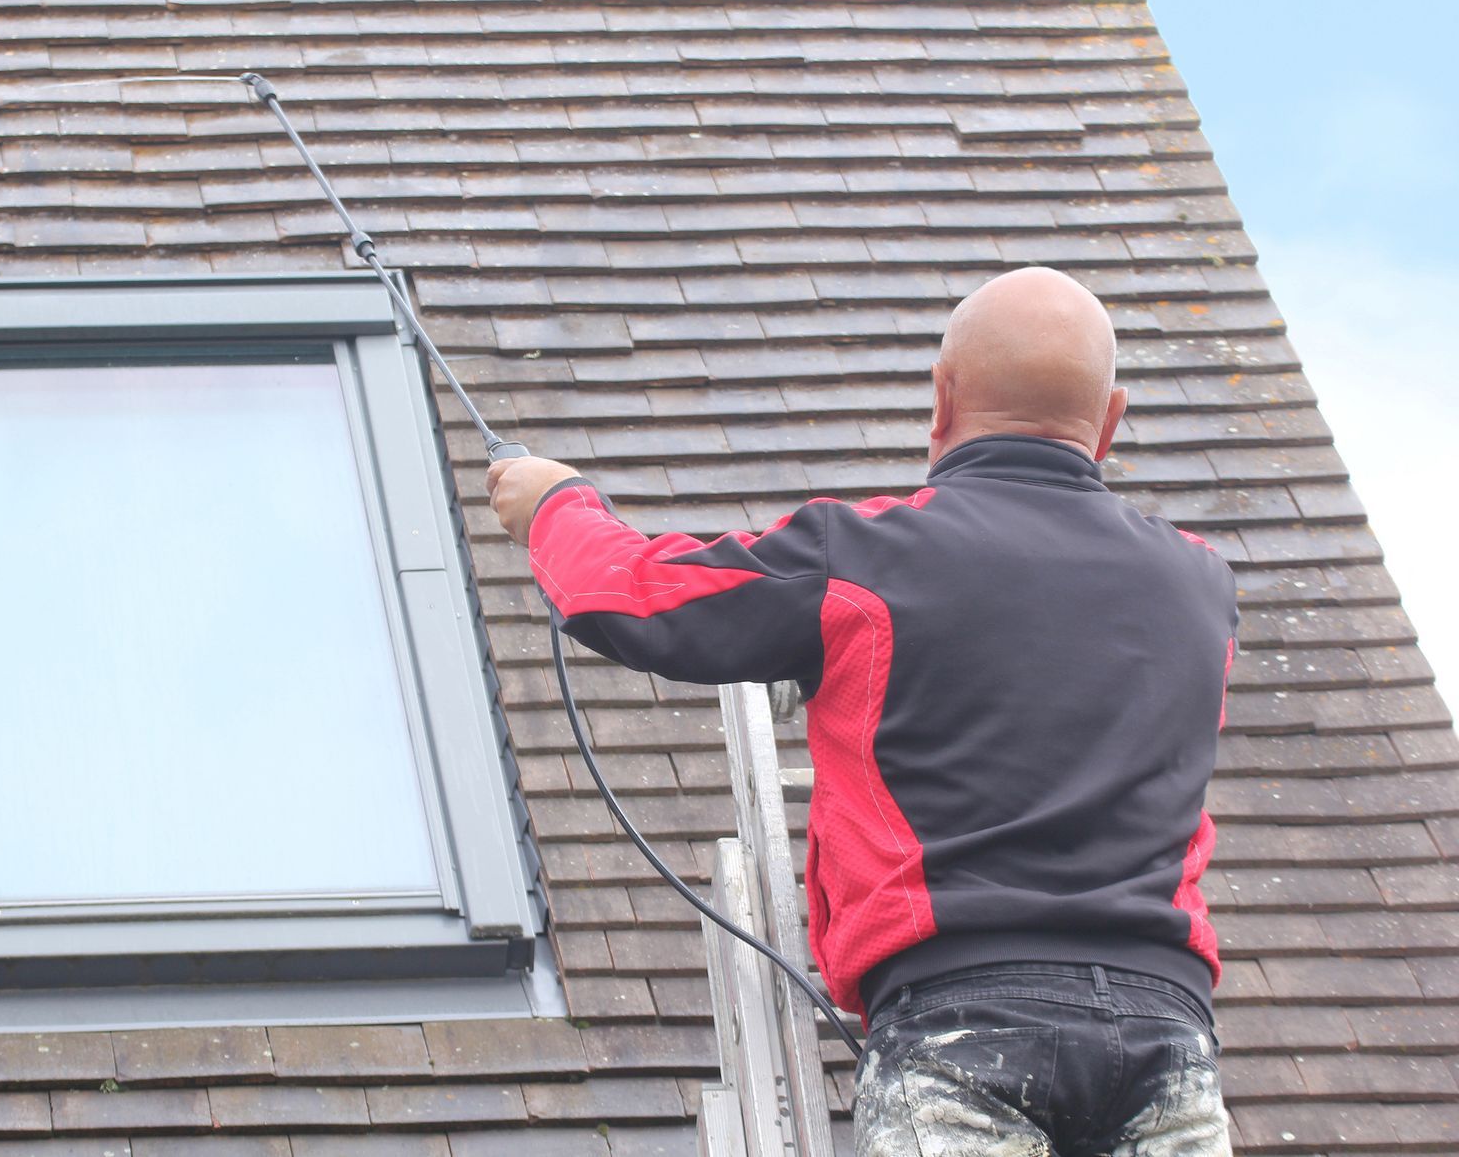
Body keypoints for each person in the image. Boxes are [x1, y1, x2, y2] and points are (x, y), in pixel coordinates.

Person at [487, 267, 1236, 1156]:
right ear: (1110, 420)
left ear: (942, 397)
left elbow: (635, 597)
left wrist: (555, 503)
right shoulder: (1200, 583)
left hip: (962, 1022)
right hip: (1167, 1037)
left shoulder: (867, 555)